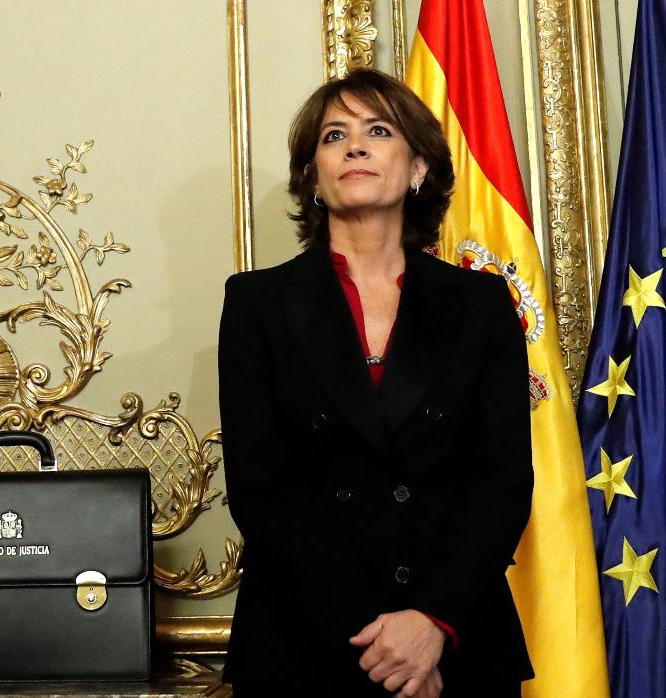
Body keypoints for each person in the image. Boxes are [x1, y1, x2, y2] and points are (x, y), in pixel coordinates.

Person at [218, 68, 533, 697]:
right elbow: (261, 490)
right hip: (304, 645)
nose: (355, 147)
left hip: (456, 640)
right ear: (313, 177)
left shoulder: (481, 303)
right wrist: (380, 642)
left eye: (379, 131)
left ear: (418, 168)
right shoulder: (257, 303)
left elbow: (501, 483)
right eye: (334, 135)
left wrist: (431, 623)